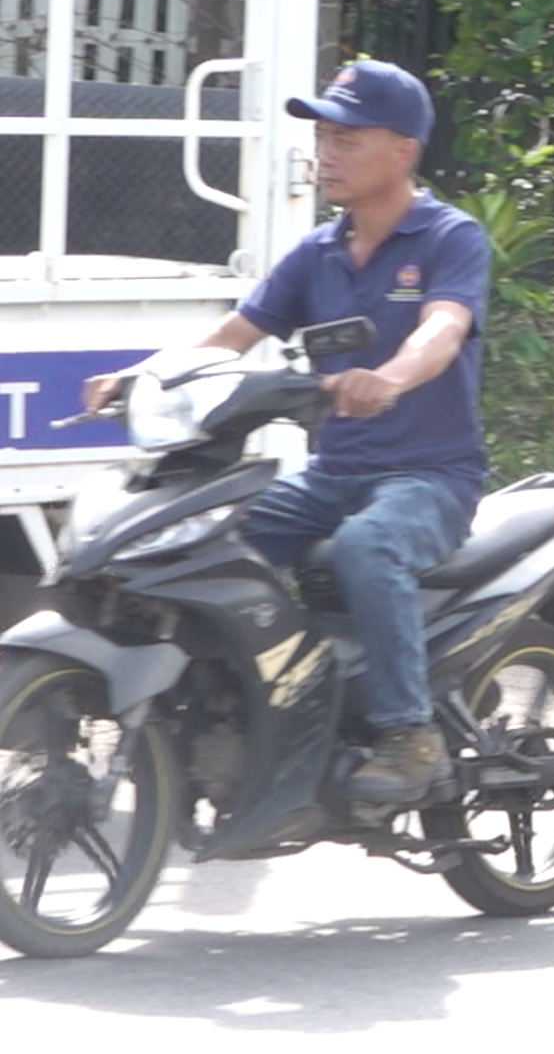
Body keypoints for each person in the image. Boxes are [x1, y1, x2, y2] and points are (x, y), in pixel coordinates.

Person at [83, 58, 491, 805]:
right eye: (322, 138)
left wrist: (391, 377)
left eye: (346, 139)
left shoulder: (448, 238)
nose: (325, 153)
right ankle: (263, 705)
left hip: (430, 478)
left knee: (371, 546)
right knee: (201, 545)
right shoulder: (318, 253)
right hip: (330, 476)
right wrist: (138, 376)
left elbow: (444, 327)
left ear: (403, 150)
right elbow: (229, 338)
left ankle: (409, 733)